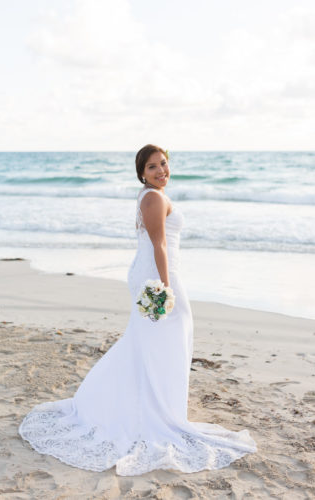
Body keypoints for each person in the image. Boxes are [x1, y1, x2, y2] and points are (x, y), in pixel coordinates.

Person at [19, 144, 257, 476]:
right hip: (157, 278)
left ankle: (160, 408)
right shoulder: (153, 198)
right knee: (164, 342)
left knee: (153, 345)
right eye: (151, 167)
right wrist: (165, 286)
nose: (160, 171)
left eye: (163, 164)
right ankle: (156, 413)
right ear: (141, 173)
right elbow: (159, 243)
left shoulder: (150, 195)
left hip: (153, 273)